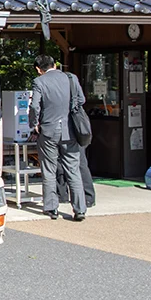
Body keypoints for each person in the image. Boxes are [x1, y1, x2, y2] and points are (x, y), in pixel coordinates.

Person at [29, 54, 87, 221]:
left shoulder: (39, 82)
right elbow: (81, 100)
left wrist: (34, 123)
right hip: (70, 130)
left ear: (39, 69)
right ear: (54, 64)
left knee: (49, 170)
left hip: (48, 131)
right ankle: (79, 209)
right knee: (73, 170)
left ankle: (51, 208)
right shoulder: (71, 78)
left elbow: (34, 106)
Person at [53, 62, 96, 208]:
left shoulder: (62, 80)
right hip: (72, 124)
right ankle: (84, 196)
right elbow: (81, 99)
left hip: (66, 125)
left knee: (71, 161)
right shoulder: (71, 78)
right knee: (76, 161)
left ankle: (67, 195)